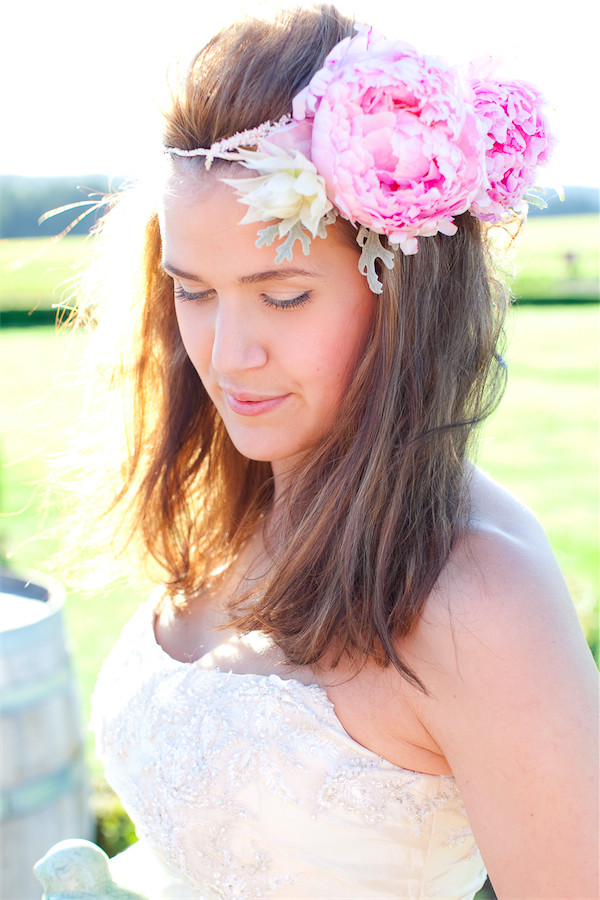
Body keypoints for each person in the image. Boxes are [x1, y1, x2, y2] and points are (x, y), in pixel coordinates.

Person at [62, 4, 597, 899]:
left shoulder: (475, 596)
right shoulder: (243, 500)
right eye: (193, 292)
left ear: (403, 294)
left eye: (281, 297)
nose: (227, 355)